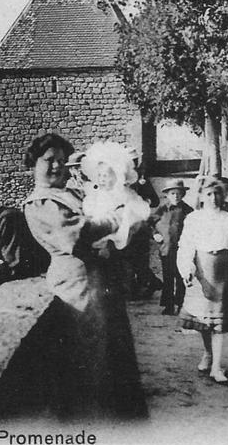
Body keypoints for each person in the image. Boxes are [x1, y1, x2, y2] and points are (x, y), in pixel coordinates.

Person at [22, 133, 147, 419]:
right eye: (48, 160)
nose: (57, 167)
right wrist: (119, 218)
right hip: (78, 286)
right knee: (94, 359)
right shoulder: (40, 203)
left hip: (101, 281)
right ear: (34, 163)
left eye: (62, 161)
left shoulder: (71, 193)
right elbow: (79, 235)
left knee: (115, 356)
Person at [175, 177, 228, 383]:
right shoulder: (193, 219)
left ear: (223, 196)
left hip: (222, 272)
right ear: (201, 196)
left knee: (219, 323)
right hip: (202, 271)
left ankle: (217, 366)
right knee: (204, 320)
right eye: (209, 194)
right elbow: (186, 245)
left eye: (217, 194)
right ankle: (207, 353)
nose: (213, 198)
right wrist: (187, 269)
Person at [151, 178, 193, 315]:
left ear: (183, 195)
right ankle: (168, 305)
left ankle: (180, 303)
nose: (175, 196)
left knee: (181, 277)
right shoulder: (162, 209)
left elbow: (194, 228)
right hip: (166, 249)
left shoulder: (187, 210)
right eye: (172, 193)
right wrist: (155, 234)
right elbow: (150, 223)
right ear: (167, 195)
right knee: (168, 277)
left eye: (178, 193)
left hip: (182, 250)